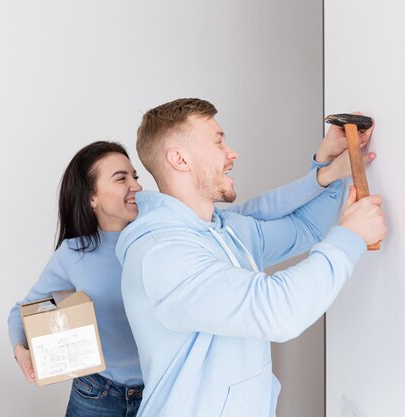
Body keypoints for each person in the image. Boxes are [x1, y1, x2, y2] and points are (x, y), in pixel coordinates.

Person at [7, 140, 346, 417]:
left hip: (158, 392)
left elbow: (257, 211)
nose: (136, 186)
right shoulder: (74, 253)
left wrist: (321, 176)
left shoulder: (167, 237)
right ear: (91, 197)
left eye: (135, 175)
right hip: (97, 396)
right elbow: (25, 310)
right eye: (120, 178)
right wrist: (20, 347)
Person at [116, 98, 386, 417]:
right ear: (180, 159)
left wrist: (327, 168)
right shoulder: (162, 253)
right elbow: (277, 310)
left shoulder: (223, 229)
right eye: (218, 141)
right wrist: (350, 236)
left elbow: (305, 227)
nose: (232, 153)